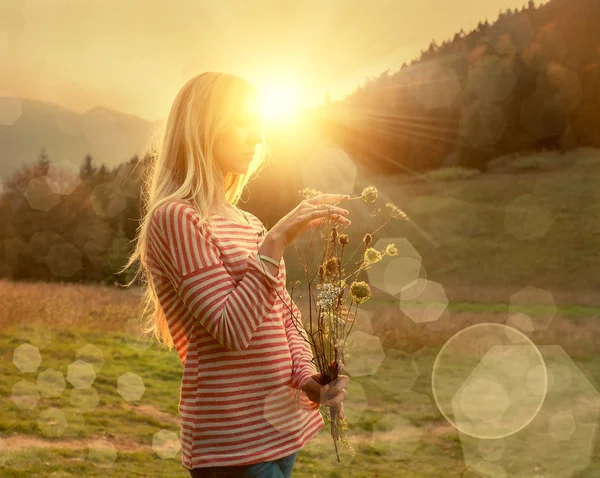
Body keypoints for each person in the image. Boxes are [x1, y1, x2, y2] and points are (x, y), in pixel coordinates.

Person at [122, 72, 351, 477]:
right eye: (243, 123)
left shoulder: (249, 223)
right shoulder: (177, 218)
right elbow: (231, 329)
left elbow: (284, 319)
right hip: (232, 442)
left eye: (259, 126)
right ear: (204, 127)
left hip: (281, 428)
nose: (257, 138)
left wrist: (308, 380)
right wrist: (277, 240)